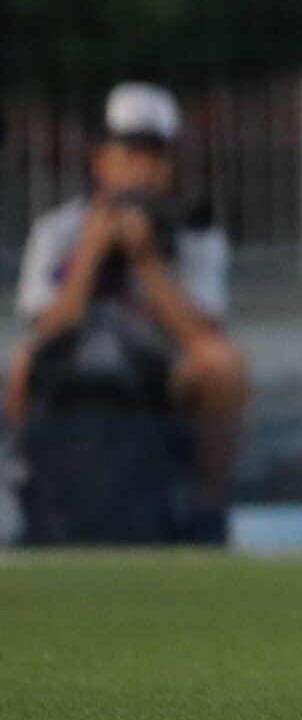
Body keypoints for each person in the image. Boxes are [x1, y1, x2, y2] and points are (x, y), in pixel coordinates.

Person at [4, 83, 244, 536]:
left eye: (157, 155)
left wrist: (148, 263)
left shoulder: (195, 232)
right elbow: (45, 329)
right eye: (132, 153)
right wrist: (90, 254)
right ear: (101, 158)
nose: (145, 169)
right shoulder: (59, 229)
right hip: (77, 361)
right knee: (20, 366)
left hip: (161, 366)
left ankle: (206, 509)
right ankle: (29, 485)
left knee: (223, 366)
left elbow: (203, 336)